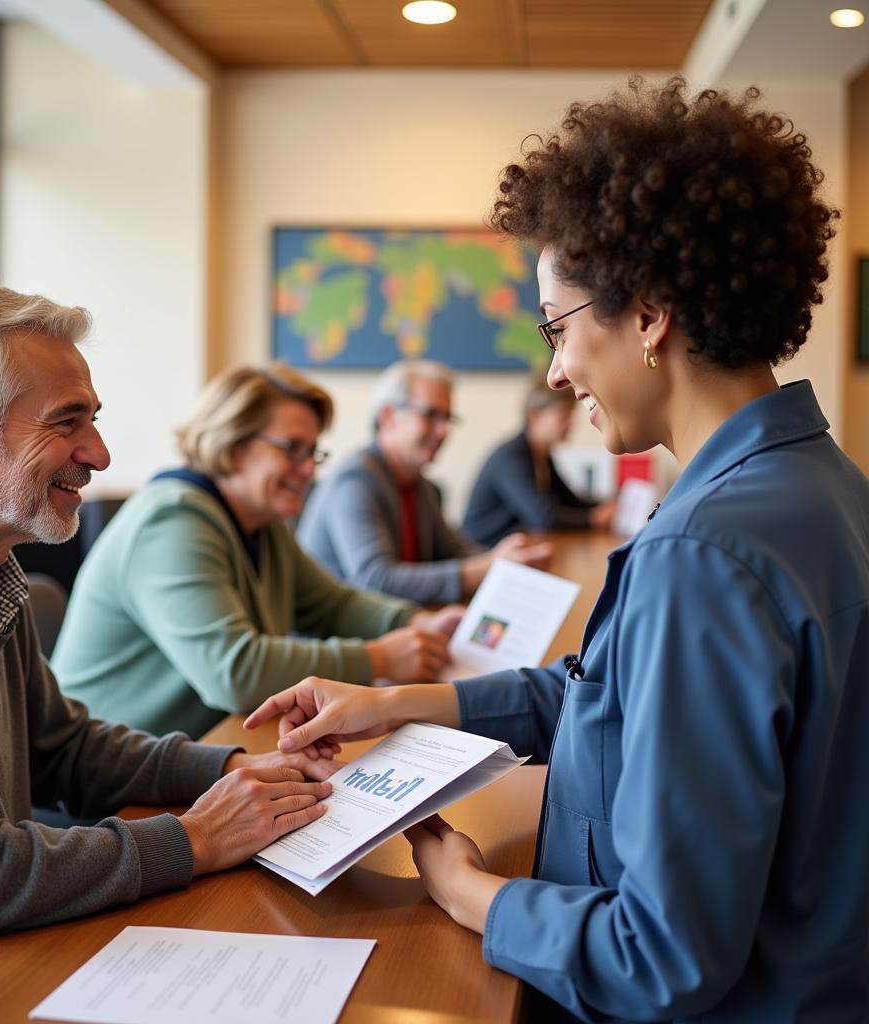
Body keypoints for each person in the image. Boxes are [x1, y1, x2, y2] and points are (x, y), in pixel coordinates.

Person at [246, 78, 869, 1022]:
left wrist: (466, 892)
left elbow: (657, 957)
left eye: (557, 327)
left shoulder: (702, 554)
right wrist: (395, 701)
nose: (553, 368)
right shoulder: (821, 488)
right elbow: (606, 696)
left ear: (650, 315)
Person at [0, 283, 338, 1021]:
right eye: (66, 422)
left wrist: (233, 768)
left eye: (93, 421)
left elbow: (64, 749)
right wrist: (195, 840)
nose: (99, 454)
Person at [52, 364, 459, 739]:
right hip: (102, 783)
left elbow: (333, 606)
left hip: (193, 751)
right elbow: (236, 672)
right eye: (292, 449)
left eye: (313, 452)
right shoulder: (171, 521)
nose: (309, 470)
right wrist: (380, 658)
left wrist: (418, 622)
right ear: (231, 443)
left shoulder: (264, 523)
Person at [297, 359, 551, 604]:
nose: (443, 431)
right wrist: (488, 567)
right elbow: (376, 580)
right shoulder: (355, 481)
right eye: (430, 415)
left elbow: (452, 550)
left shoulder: (417, 481)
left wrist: (513, 561)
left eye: (447, 419)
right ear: (388, 417)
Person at [462, 379, 617, 546]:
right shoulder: (510, 457)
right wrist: (592, 519)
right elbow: (543, 517)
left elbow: (571, 501)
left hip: (511, 551)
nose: (571, 423)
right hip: (480, 554)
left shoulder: (540, 456)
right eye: (563, 415)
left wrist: (608, 503)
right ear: (535, 416)